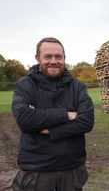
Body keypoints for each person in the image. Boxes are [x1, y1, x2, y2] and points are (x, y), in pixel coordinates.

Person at [11, 37, 94, 191]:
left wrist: (49, 129)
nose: (54, 61)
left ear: (64, 58)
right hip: (36, 170)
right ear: (37, 58)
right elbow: (25, 120)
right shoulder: (25, 85)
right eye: (48, 57)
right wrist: (67, 114)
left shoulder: (77, 86)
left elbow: (87, 121)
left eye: (58, 57)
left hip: (72, 168)